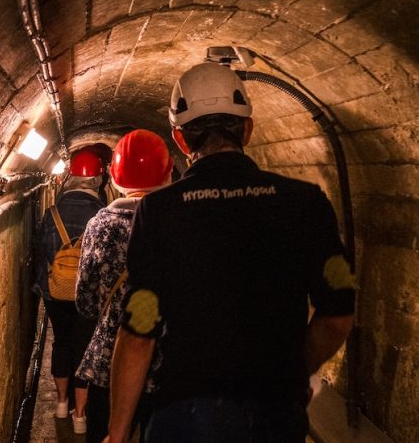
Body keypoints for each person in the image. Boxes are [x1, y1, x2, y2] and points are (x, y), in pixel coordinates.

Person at [106, 62, 356, 442]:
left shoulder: (159, 212)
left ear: (181, 139)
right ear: (248, 129)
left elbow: (139, 333)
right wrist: (291, 372)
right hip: (276, 411)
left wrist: (118, 433)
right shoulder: (305, 202)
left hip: (188, 414)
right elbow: (337, 318)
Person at [75, 130, 173, 443]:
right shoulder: (181, 221)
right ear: (169, 173)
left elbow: (85, 301)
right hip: (168, 365)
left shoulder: (100, 225)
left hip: (110, 364)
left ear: (115, 179)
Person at [34, 147, 106, 433]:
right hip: (88, 296)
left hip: (55, 293)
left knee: (61, 342)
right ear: (99, 180)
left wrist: (44, 288)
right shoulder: (102, 215)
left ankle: (61, 404)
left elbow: (41, 255)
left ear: (70, 177)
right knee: (86, 348)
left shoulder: (51, 213)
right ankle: (80, 416)